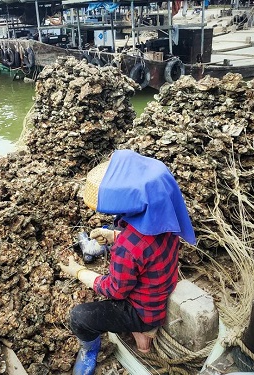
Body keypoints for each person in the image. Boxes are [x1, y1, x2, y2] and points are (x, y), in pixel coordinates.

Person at [59, 149, 196, 375]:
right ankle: (143, 335)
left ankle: (90, 350)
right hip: (159, 290)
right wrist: (114, 235)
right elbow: (149, 246)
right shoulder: (168, 216)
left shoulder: (129, 248)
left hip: (142, 310)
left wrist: (78, 271)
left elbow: (115, 290)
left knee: (79, 317)